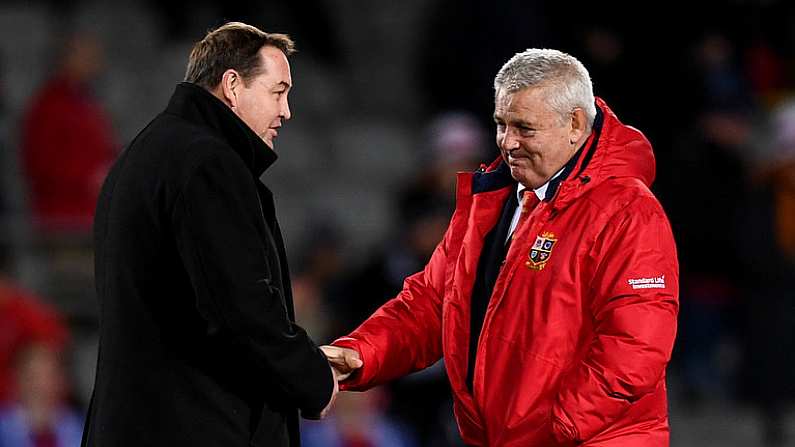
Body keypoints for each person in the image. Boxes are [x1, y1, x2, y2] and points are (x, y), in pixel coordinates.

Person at [323, 49, 679, 446]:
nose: (507, 142)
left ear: (575, 124)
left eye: (524, 128)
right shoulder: (491, 201)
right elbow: (432, 304)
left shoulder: (628, 210)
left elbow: (635, 349)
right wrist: (360, 354)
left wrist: (558, 429)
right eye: (500, 124)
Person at [82, 22, 347, 447]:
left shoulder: (146, 153)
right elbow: (238, 308)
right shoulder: (208, 164)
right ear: (232, 85)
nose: (287, 111)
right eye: (278, 92)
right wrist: (311, 375)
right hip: (192, 427)